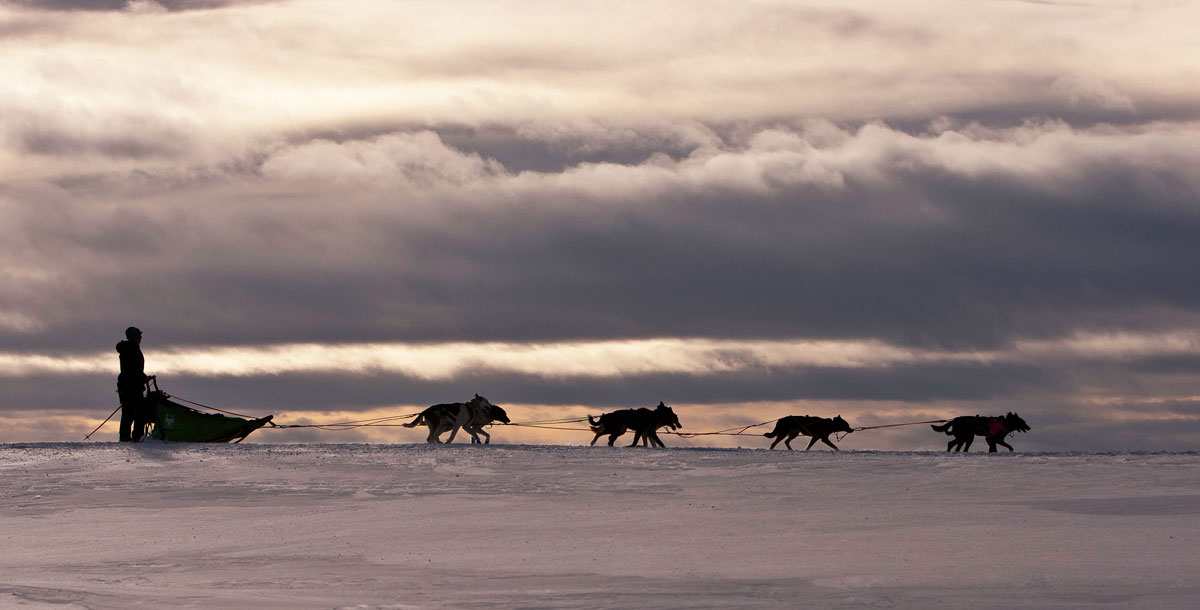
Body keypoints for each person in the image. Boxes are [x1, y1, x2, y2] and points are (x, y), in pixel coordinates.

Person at [116, 326, 152, 442]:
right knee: (130, 414)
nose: (141, 337)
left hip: (134, 386)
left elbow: (136, 370)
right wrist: (142, 379)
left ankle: (137, 436)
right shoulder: (129, 350)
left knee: (138, 413)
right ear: (133, 337)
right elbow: (131, 370)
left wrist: (144, 378)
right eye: (138, 335)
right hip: (130, 387)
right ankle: (127, 438)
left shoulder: (134, 349)